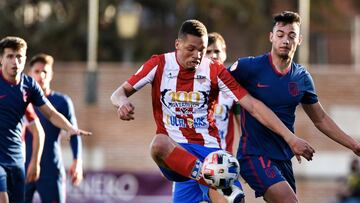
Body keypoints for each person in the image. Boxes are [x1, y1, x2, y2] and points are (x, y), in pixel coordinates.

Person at [110, 19, 314, 203]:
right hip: (178, 156)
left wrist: (290, 138)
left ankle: (214, 177)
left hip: (211, 152)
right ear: (177, 44)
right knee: (159, 143)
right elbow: (118, 93)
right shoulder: (159, 64)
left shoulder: (214, 70)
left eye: (202, 50)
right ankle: (213, 178)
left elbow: (253, 106)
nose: (197, 56)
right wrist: (122, 103)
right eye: (191, 49)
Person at [228, 11, 360, 203]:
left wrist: (353, 145)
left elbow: (320, 119)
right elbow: (217, 82)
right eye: (280, 34)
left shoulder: (302, 78)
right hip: (254, 155)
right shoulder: (249, 67)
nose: (285, 40)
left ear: (299, 40)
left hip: (283, 158)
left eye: (291, 36)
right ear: (271, 37)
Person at [0, 36, 91, 203]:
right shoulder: (14, 92)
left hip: (40, 166)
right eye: (10, 56)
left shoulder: (36, 91)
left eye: (19, 56)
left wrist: (71, 135)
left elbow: (53, 117)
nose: (15, 61)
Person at [173, 32, 242, 203]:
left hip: (221, 163)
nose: (213, 56)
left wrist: (244, 158)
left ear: (224, 52)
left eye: (217, 51)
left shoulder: (232, 88)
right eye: (208, 52)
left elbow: (244, 128)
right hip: (190, 164)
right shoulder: (188, 85)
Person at [24, 53, 83, 203]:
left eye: (45, 71)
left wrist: (78, 160)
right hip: (23, 167)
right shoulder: (21, 99)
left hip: (51, 169)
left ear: (51, 74)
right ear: (30, 74)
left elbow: (73, 131)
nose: (41, 75)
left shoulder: (62, 102)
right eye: (37, 71)